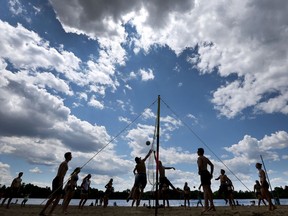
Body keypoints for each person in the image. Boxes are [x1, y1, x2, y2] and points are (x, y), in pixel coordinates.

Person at [39, 152, 72, 216]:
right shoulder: (64, 163)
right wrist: (60, 181)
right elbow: (60, 173)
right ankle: (46, 212)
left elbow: (62, 173)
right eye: (70, 156)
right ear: (67, 156)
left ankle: (47, 212)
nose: (71, 157)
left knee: (57, 197)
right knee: (55, 197)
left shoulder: (65, 163)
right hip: (58, 180)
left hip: (59, 180)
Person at [197, 147, 215, 212]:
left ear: (199, 152)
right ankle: (212, 205)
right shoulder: (206, 158)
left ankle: (206, 207)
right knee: (209, 190)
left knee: (205, 190)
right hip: (207, 173)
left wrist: (199, 171)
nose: (197, 152)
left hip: (203, 173)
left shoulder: (199, 158)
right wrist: (211, 174)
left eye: (197, 151)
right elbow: (212, 165)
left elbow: (200, 165)